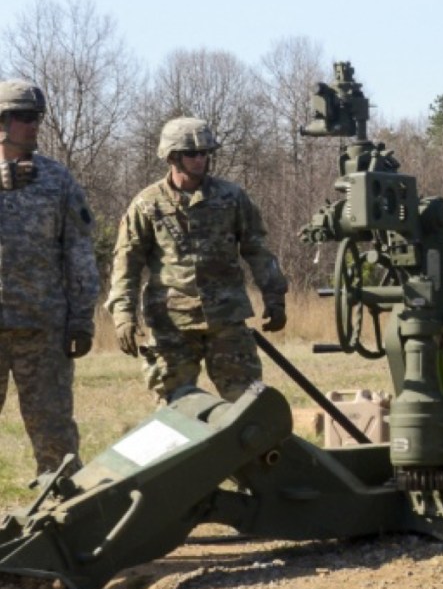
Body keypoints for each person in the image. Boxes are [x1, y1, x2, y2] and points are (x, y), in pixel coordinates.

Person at [106, 117, 288, 403]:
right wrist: (122, 315)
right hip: (172, 324)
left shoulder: (232, 197)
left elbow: (257, 250)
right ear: (172, 157)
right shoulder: (147, 204)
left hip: (226, 319)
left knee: (248, 406)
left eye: (205, 153)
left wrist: (275, 296)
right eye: (192, 153)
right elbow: (126, 262)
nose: (200, 159)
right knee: (174, 410)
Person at [0, 80, 99, 478]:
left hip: (43, 329)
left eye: (37, 117)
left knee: (55, 436)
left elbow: (79, 252)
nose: (34, 125)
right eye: (24, 117)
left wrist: (82, 317)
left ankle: (65, 522)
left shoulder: (57, 181)